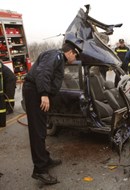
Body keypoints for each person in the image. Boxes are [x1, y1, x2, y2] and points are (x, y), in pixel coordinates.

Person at [22, 42, 80, 185]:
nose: (76, 57)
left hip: (37, 92)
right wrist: (44, 94)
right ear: (70, 52)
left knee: (41, 130)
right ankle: (40, 171)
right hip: (35, 92)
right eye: (76, 54)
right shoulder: (56, 55)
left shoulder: (59, 58)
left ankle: (45, 159)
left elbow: (55, 78)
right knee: (37, 132)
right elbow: (43, 72)